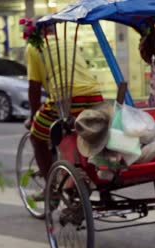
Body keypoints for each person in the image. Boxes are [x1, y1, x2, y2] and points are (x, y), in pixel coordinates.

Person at [24, 25, 103, 185]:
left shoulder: (34, 46)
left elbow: (34, 87)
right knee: (84, 133)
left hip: (67, 98)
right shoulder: (67, 42)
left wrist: (33, 117)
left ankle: (50, 189)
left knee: (36, 138)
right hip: (94, 95)